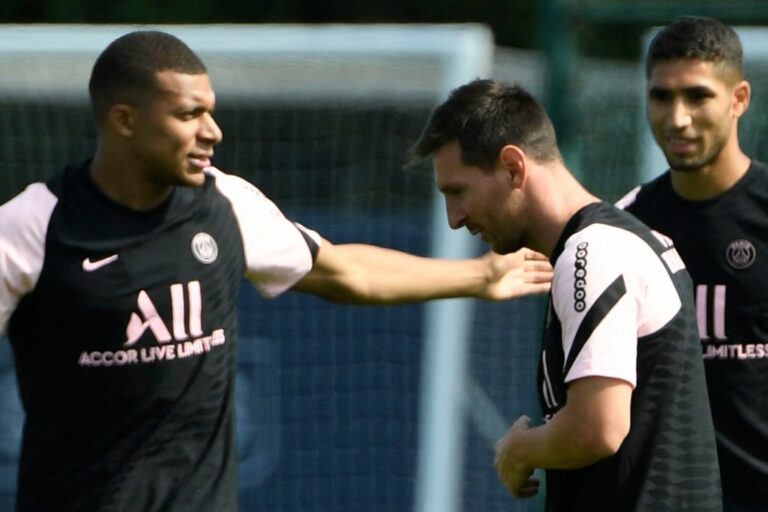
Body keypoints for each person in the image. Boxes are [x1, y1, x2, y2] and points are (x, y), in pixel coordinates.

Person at [0, 31, 554, 512]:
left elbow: (343, 271)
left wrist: (479, 278)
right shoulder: (32, 228)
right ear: (123, 120)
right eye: (189, 114)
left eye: (211, 111)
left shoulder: (226, 206)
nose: (212, 130)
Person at [409, 78, 722, 511]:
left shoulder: (592, 251)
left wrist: (519, 450)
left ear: (513, 167)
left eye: (458, 191)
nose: (454, 218)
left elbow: (598, 427)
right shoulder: (614, 242)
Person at [616, 16, 767, 512]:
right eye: (661, 97)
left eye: (698, 96)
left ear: (738, 99)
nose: (677, 118)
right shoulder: (624, 230)